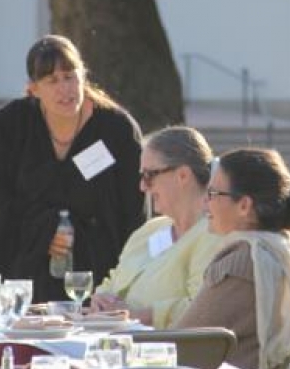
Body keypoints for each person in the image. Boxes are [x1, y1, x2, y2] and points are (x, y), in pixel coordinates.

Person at [0, 34, 145, 302]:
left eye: (70, 76)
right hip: (26, 260)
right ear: (33, 89)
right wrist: (45, 231)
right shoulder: (13, 122)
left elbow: (134, 210)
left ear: (84, 76)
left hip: (99, 268)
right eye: (52, 80)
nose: (64, 89)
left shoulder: (116, 129)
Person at [174, 148, 290, 369]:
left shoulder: (244, 261)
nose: (204, 203)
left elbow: (180, 343)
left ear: (244, 206)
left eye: (213, 194)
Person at [90, 126, 222, 328]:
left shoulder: (214, 235)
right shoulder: (149, 231)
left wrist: (136, 316)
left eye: (149, 175)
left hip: (167, 354)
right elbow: (112, 281)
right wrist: (100, 300)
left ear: (183, 176)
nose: (142, 186)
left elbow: (203, 309)